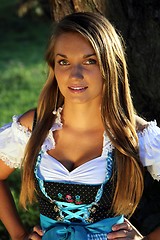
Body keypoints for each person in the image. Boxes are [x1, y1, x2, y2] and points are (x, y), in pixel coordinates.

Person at [0, 12, 160, 240]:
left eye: (89, 61)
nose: (75, 75)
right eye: (63, 61)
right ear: (53, 67)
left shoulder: (134, 134)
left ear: (110, 65)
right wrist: (17, 235)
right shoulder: (36, 127)